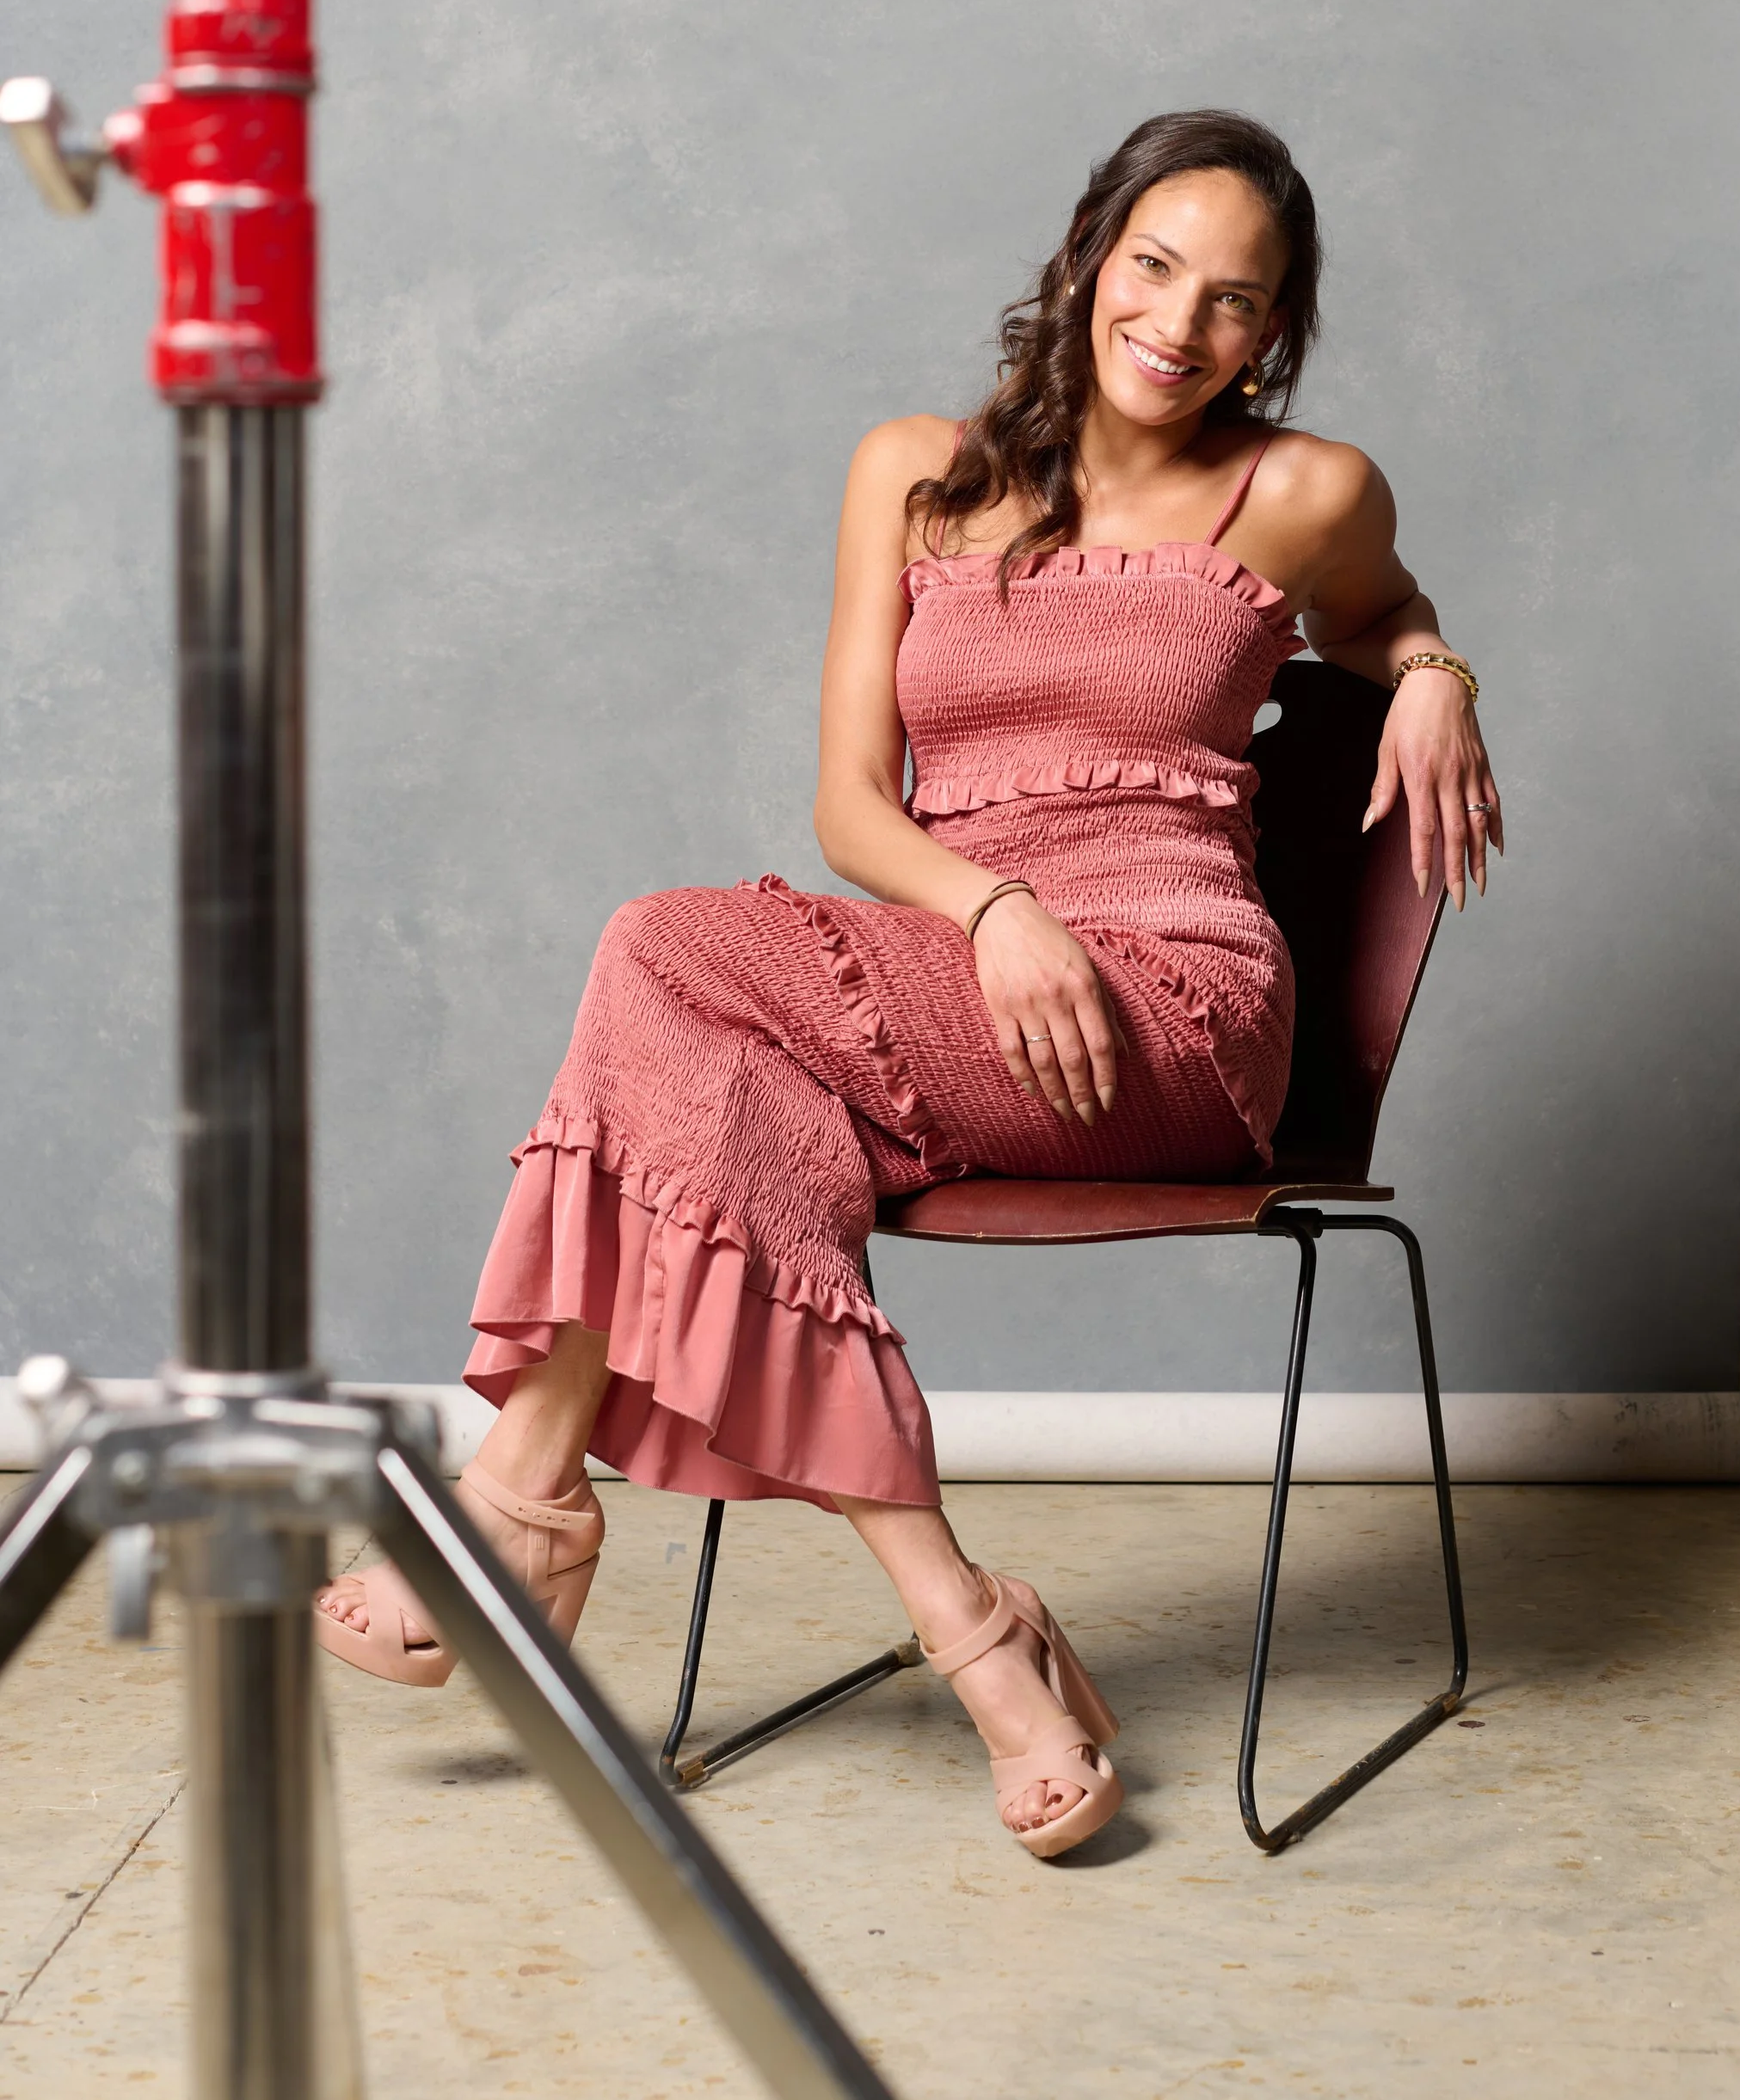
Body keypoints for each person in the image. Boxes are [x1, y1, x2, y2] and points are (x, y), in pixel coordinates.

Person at [315, 108, 1500, 1859]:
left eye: (1234, 302)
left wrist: (1432, 668)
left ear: (1274, 331)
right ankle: (970, 1625)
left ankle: (521, 1495)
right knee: (743, 1105)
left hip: (1170, 1006)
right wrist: (998, 903)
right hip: (966, 974)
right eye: (1155, 267)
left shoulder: (1304, 487)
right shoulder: (912, 472)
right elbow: (847, 808)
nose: (1179, 324)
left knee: (658, 948)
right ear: (1091, 252)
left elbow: (1378, 613)